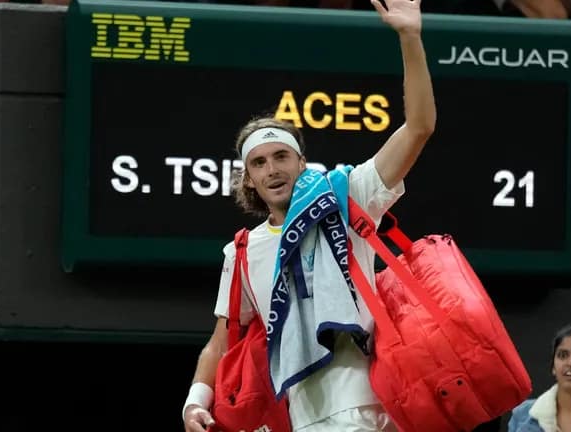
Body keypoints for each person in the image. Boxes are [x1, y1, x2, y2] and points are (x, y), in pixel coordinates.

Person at [181, 0, 436, 430]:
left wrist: (410, 37)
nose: (272, 169)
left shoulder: (346, 196)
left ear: (302, 163)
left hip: (367, 406)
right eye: (259, 162)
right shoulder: (242, 251)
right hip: (299, 416)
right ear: (249, 179)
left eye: (281, 156)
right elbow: (221, 341)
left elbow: (419, 128)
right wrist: (194, 402)